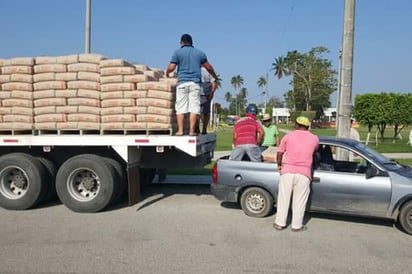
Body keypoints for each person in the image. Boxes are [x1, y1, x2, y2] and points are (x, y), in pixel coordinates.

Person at [166, 34, 218, 136]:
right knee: (194, 108)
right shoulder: (200, 53)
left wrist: (167, 72)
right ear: (191, 42)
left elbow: (171, 67)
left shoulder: (177, 52)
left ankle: (180, 131)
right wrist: (214, 76)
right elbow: (209, 67)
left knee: (180, 107)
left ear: (181, 42)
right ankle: (191, 131)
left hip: (182, 83)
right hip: (195, 84)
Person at [273, 116, 319, 232]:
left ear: (296, 125)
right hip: (304, 173)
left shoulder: (288, 136)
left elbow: (279, 153)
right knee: (299, 200)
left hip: (287, 171)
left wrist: (279, 165)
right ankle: (297, 225)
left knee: (283, 198)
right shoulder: (314, 138)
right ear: (308, 126)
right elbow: (315, 151)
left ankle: (279, 223)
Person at [197, 67, 218, 134]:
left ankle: (203, 129)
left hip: (205, 94)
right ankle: (198, 128)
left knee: (204, 113)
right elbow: (214, 83)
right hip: (197, 94)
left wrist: (211, 93)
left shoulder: (208, 71)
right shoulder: (195, 70)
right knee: (199, 113)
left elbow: (213, 82)